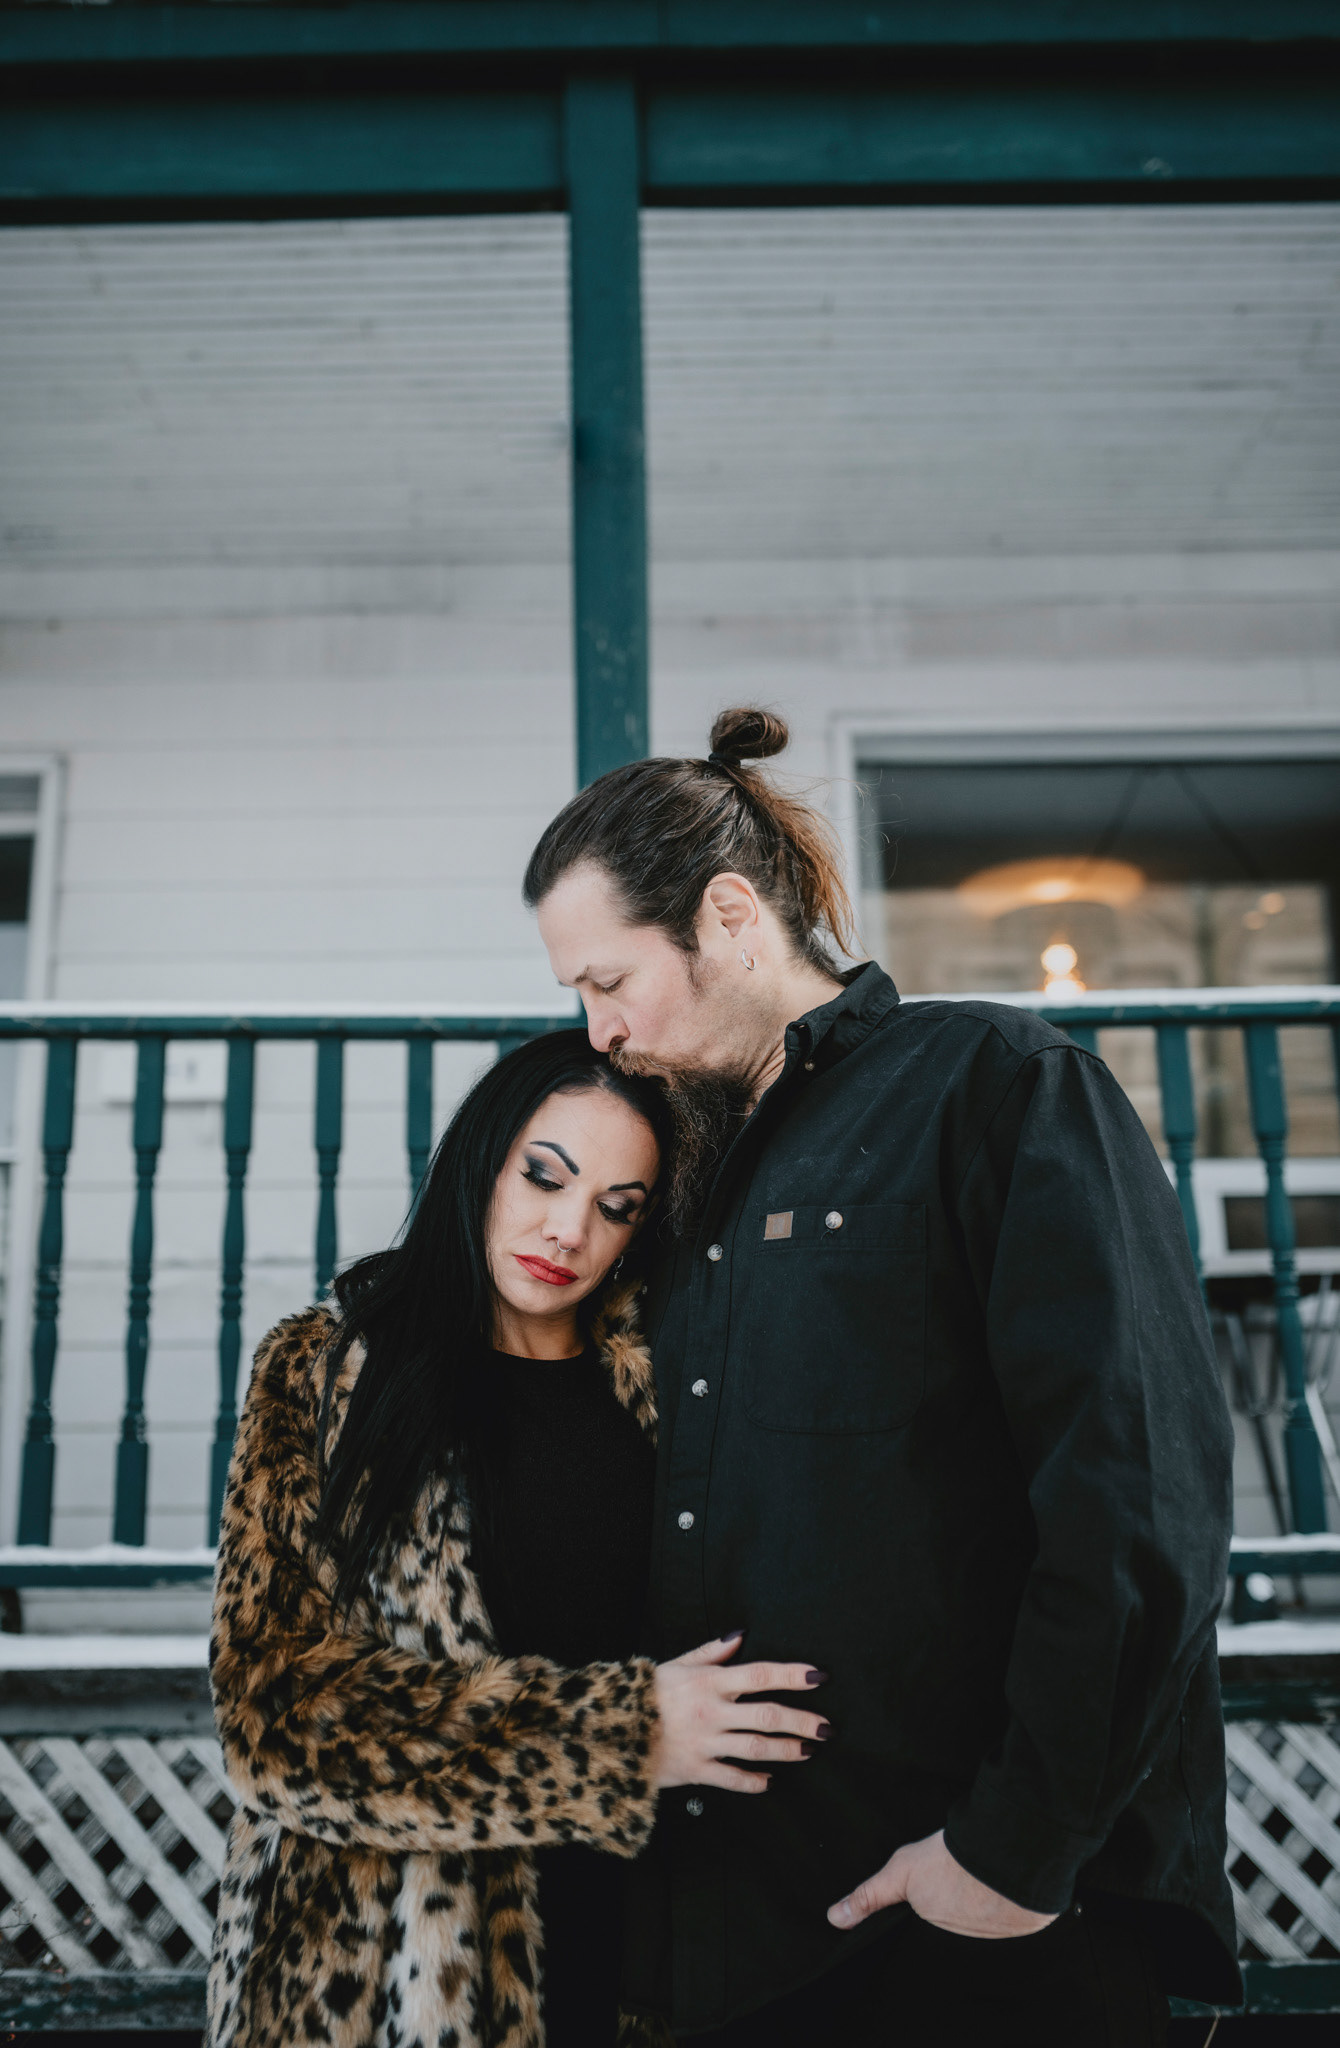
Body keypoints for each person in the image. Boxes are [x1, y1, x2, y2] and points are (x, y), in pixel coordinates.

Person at [524, 710, 1242, 2047]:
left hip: (978, 1939)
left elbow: (1137, 1498)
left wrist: (1010, 1856)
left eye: (609, 979)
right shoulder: (664, 1180)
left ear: (728, 914)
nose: (597, 1028)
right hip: (730, 1946)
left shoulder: (997, 1086)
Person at [206, 1031, 830, 2048]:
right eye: (544, 1175)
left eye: (617, 1206)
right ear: (482, 1158)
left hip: (650, 1948)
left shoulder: (675, 1385)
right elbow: (274, 1715)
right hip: (390, 1974)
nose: (567, 1230)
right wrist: (620, 1737)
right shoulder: (328, 1374)